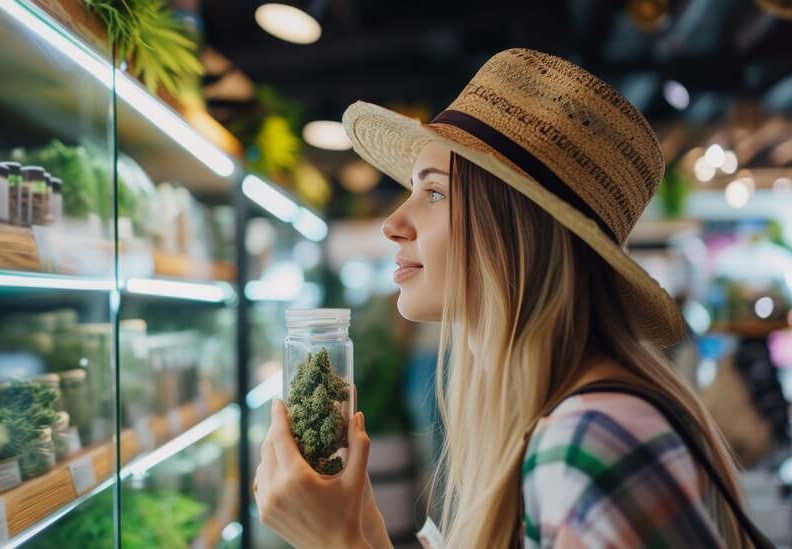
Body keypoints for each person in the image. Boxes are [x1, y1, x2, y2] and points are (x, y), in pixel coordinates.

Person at [253, 49, 769, 548]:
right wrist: (363, 529)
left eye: (434, 193)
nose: (393, 225)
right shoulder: (534, 421)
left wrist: (335, 543)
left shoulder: (591, 442)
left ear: (517, 229)